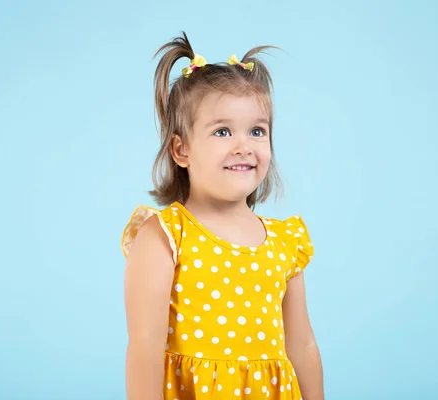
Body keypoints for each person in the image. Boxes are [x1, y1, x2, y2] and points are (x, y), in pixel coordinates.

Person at [121, 32, 324, 400]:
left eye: (257, 131)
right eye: (223, 131)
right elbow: (144, 347)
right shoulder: (165, 236)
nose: (243, 146)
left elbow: (302, 346)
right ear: (181, 150)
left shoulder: (285, 243)